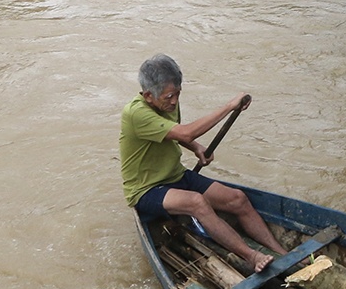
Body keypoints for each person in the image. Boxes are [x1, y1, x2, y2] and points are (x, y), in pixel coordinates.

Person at [121, 54, 286, 271]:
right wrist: (228, 106)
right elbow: (185, 133)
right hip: (146, 189)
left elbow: (176, 135)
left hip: (175, 175)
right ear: (149, 95)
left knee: (237, 199)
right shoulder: (136, 113)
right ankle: (251, 256)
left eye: (178, 94)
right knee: (196, 203)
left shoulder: (168, 104)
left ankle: (282, 253)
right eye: (169, 96)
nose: (174, 101)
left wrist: (196, 148)